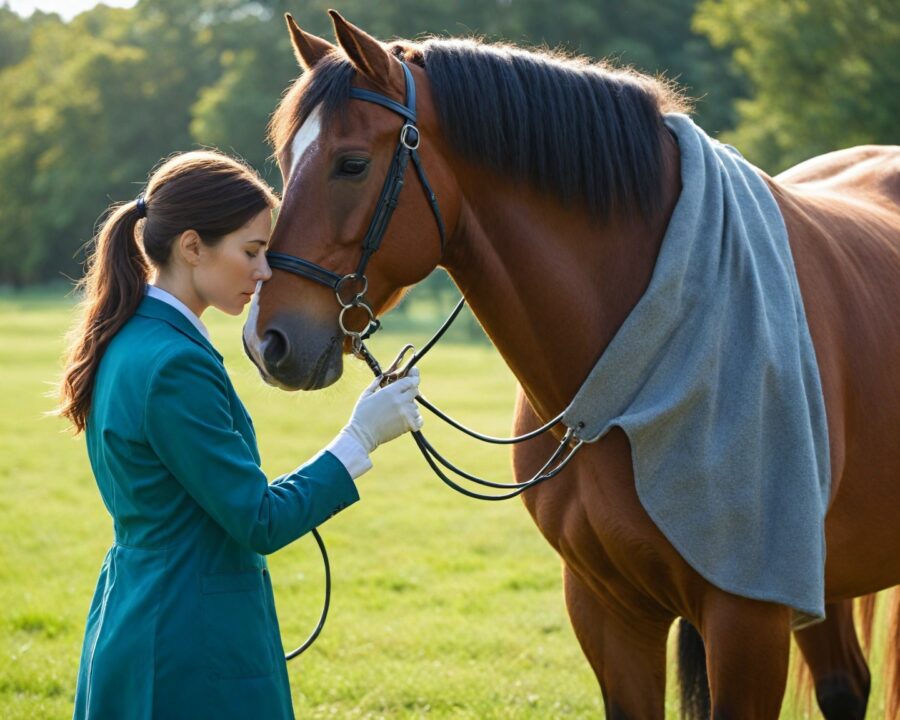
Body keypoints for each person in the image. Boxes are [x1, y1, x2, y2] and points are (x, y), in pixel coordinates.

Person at [58, 150, 423, 720]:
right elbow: (259, 520)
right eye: (251, 252)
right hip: (189, 639)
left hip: (145, 614)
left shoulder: (134, 337)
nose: (265, 272)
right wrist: (361, 437)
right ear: (192, 247)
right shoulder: (174, 362)